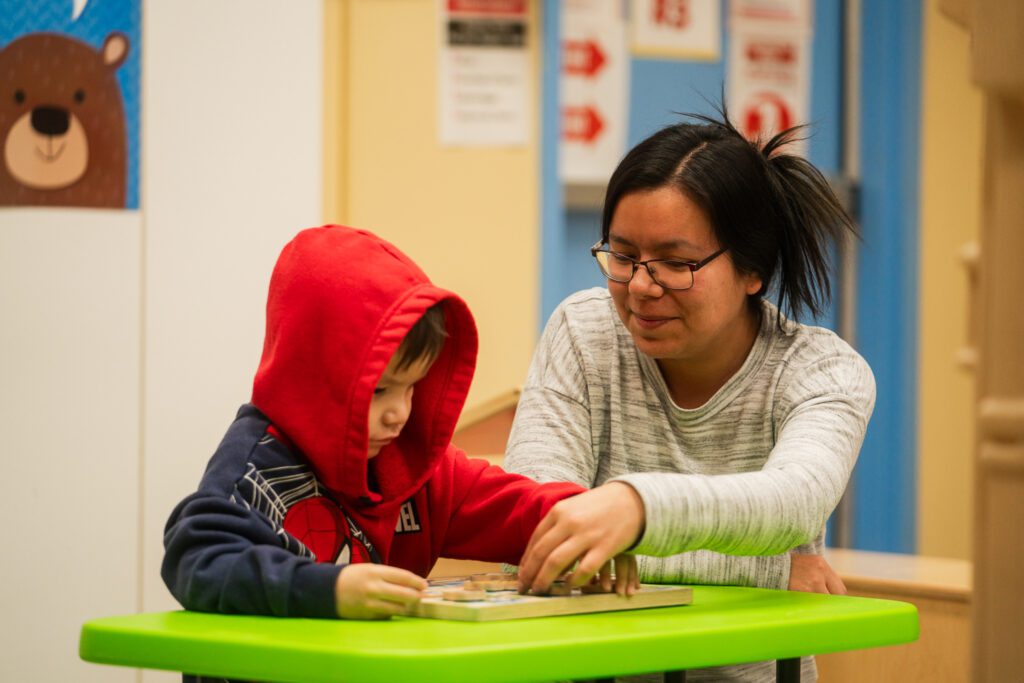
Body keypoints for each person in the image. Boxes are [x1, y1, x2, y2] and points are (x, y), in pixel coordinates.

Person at [504, 113, 875, 682]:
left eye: (677, 264)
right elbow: (540, 531)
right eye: (623, 256)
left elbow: (792, 503)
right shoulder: (583, 331)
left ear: (753, 269)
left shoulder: (822, 371)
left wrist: (631, 509)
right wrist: (767, 572)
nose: (641, 287)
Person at [161, 227, 638, 646]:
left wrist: (580, 523)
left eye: (412, 387)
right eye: (380, 389)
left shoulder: (409, 464)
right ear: (315, 378)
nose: (400, 414)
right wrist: (327, 590)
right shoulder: (254, 461)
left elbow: (504, 503)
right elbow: (196, 557)